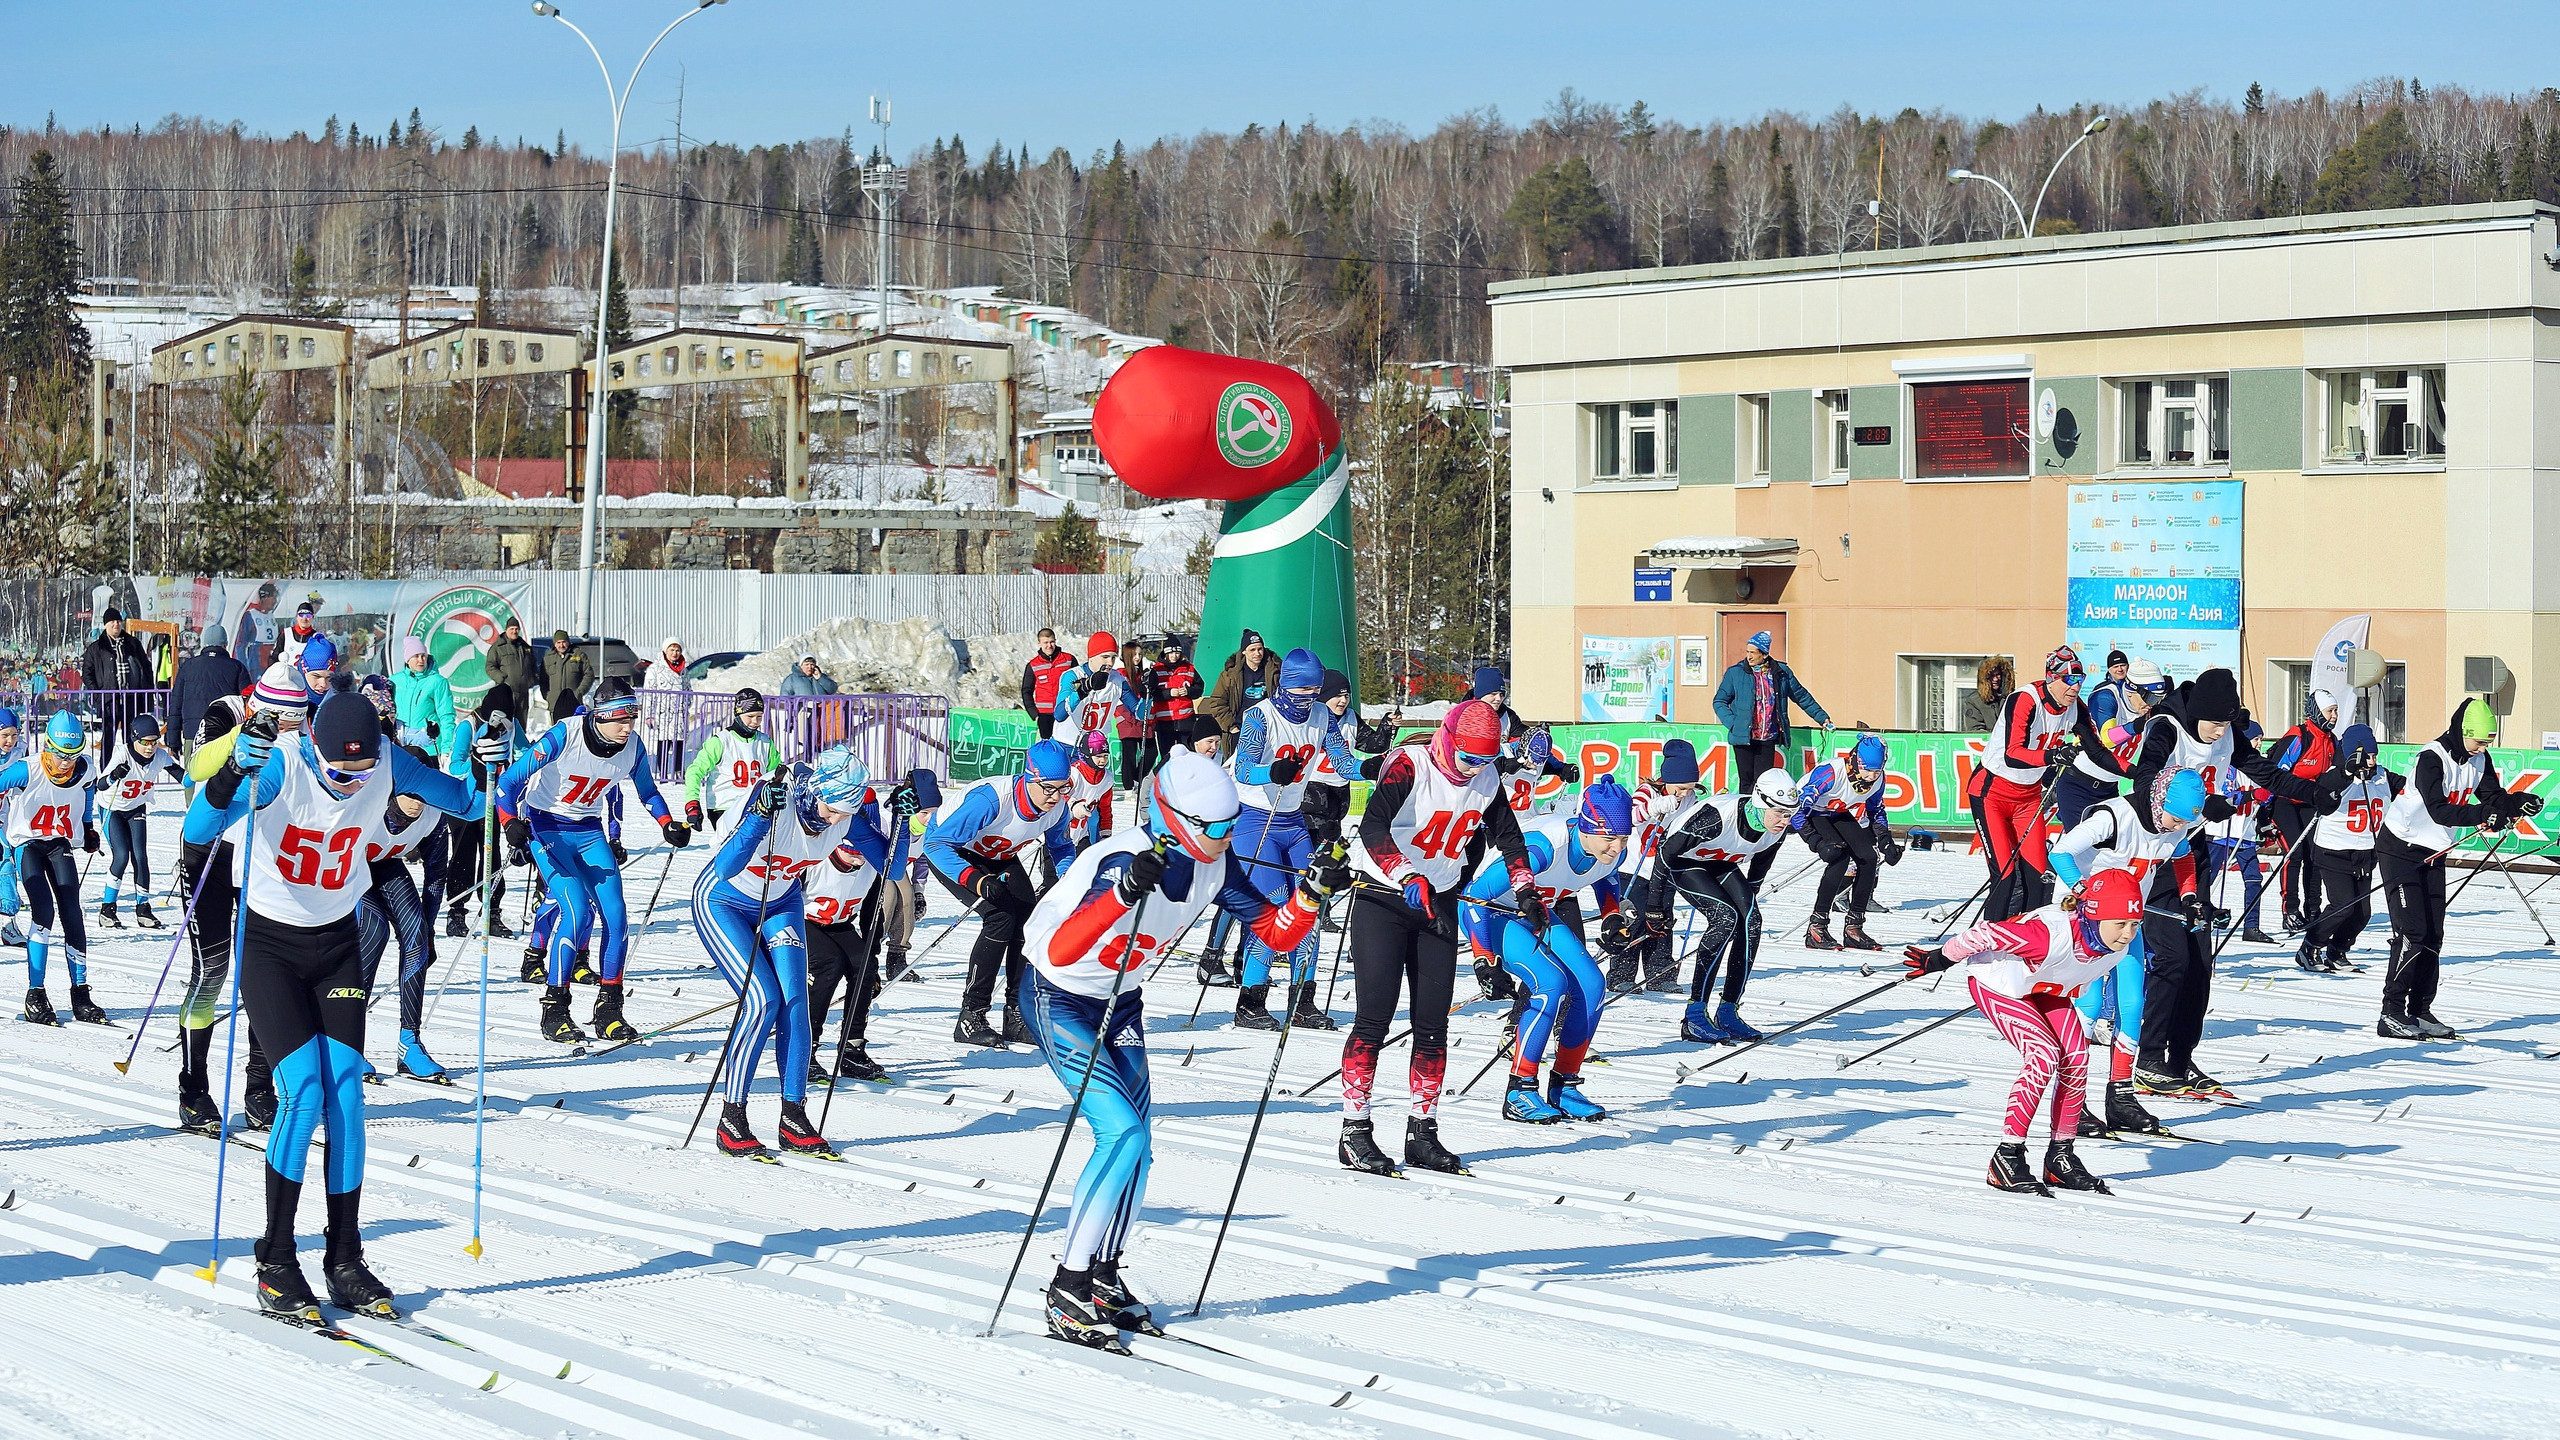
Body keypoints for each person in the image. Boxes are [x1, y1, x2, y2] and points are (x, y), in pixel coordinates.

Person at [1022, 748, 1330, 1349]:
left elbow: (1276, 934)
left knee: (1141, 1139)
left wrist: (1312, 895)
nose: (1226, 836)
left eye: (1232, 824)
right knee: (1122, 1134)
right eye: (1215, 827)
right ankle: (1068, 1284)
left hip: (1121, 1002)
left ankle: (1104, 1276)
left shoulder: (1213, 863)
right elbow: (1061, 951)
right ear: (1174, 819)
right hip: (1058, 996)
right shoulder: (1118, 859)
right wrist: (1122, 894)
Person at [186, 690, 471, 1323]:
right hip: (271, 948)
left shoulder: (390, 762)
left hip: (337, 944)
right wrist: (236, 770)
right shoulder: (283, 762)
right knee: (303, 1092)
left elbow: (469, 801)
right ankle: (276, 1259)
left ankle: (344, 1256)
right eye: (340, 772)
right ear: (315, 748)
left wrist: (486, 759)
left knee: (346, 1091)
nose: (352, 783)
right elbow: (197, 830)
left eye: (363, 771)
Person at [2120, 668, 2342, 1094]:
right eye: (2214, 723)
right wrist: (2205, 802)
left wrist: (2314, 793)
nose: (2219, 732)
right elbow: (2143, 780)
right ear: (2198, 714)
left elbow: (2269, 774)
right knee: (2172, 959)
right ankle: (2148, 1058)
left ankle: (2181, 1059)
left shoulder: (2227, 734)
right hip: (2154, 849)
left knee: (2201, 962)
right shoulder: (2167, 729)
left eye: (2226, 724)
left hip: (2193, 852)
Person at [1341, 699, 1531, 1177]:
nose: (1475, 769)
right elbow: (1372, 826)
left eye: (1486, 760)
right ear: (1448, 740)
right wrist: (1405, 873)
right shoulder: (1412, 765)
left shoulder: (1486, 779)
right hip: (1383, 898)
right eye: (1469, 758)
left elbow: (1509, 836)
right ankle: (1355, 1132)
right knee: (1374, 1020)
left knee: (1433, 1023)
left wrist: (1526, 889)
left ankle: (1422, 1132)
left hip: (1437, 901)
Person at [1902, 868, 2145, 1197]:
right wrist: (1941, 958)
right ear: (2092, 913)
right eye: (2120, 923)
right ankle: (2007, 1157)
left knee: (2076, 1057)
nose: (2128, 933)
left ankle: (2061, 1157)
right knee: (2044, 1055)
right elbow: (1983, 935)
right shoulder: (2047, 934)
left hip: (2045, 986)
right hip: (2000, 983)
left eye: (2134, 924)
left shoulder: (2111, 945)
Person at [689, 753, 866, 1159]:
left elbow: (891, 867)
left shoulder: (843, 815)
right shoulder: (778, 797)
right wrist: (758, 816)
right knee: (762, 1000)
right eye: (832, 808)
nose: (836, 820)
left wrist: (905, 828)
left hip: (781, 902)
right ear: (814, 792)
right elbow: (726, 865)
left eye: (846, 812)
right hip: (724, 900)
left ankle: (793, 1116)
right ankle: (732, 1117)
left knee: (795, 1003)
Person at [496, 677, 685, 1044]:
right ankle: (555, 1008)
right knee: (577, 911)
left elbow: (648, 791)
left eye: (632, 718)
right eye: (619, 719)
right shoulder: (564, 735)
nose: (627, 727)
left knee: (616, 917)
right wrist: (510, 824)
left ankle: (609, 1009)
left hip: (588, 830)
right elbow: (509, 783)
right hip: (546, 826)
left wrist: (668, 823)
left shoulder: (632, 747)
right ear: (599, 716)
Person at [173, 664, 309, 1133]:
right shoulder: (225, 710)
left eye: (295, 720)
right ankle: (193, 1088)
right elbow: (195, 768)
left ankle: (259, 1089)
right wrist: (239, 740)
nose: (286, 730)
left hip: (262, 856)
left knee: (263, 975)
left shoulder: (303, 729)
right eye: (280, 719)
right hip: (209, 850)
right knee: (211, 970)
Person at [2049, 765, 2215, 1137]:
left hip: (2125, 921)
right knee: (2089, 1005)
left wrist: (2189, 897)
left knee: (2132, 1002)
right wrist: (2083, 889)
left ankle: (2120, 1096)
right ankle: (2071, 1099)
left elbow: (2184, 856)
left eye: (2183, 823)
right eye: (2174, 819)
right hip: (2084, 917)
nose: (2176, 827)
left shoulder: (2177, 825)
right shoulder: (2112, 818)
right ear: (2159, 801)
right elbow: (2060, 853)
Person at [1460, 777, 1629, 1122]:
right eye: (1610, 837)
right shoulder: (1545, 847)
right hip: (1489, 911)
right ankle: (1519, 1090)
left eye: (1623, 837)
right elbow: (1474, 897)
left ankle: (1564, 1086)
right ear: (1586, 826)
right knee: (1550, 983)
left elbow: (1606, 877)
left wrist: (1613, 917)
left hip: (1537, 910)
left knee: (1592, 985)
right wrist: (1483, 959)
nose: (1617, 847)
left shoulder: (1612, 848)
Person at [2376, 697, 2537, 1041]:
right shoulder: (2432, 759)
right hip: (2400, 848)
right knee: (2412, 932)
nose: (2482, 748)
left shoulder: (2480, 759)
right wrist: (2481, 815)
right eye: (2479, 741)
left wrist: (2516, 801)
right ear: (2462, 732)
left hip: (2434, 850)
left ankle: (2419, 1010)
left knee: (2433, 934)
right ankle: (2391, 1012)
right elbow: (2439, 810)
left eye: (2488, 743)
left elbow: (2492, 797)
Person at [1227, 647, 1358, 1031]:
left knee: (1310, 906)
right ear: (1285, 686)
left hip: (1294, 822)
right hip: (1255, 822)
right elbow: (1244, 770)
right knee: (1277, 908)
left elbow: (1343, 761)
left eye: (1314, 692)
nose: (1307, 700)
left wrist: (1378, 767)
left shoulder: (1321, 716)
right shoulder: (1259, 716)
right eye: (1300, 692)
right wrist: (1274, 771)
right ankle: (1251, 1000)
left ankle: (1303, 1000)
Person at [354, 710, 487, 1084]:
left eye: (425, 797)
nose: (418, 804)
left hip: (386, 867)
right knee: (374, 933)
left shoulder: (433, 817)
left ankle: (409, 1045)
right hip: (349, 871)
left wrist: (427, 930)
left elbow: (436, 874)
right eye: (412, 795)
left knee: (415, 939)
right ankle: (349, 1044)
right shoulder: (370, 801)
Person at [923, 739, 1079, 1047]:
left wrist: (1070, 880)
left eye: (1063, 788)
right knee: (1000, 918)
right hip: (954, 854)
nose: (1056, 796)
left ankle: (1016, 1016)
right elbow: (936, 844)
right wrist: (977, 881)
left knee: (1029, 922)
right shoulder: (992, 800)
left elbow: (1061, 847)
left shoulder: (1057, 807)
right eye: (1048, 788)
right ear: (1029, 777)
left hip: (1000, 855)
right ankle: (972, 1016)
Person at [1970, 647, 2118, 922]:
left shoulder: (2075, 707)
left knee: (2040, 876)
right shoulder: (2026, 699)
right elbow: (2012, 754)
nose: (2076, 687)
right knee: (2005, 874)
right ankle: (1990, 942)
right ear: (2052, 678)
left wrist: (2139, 772)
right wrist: (2053, 756)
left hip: (2027, 798)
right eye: (2069, 680)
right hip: (1992, 794)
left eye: (2080, 679)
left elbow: (2097, 751)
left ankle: (2028, 939)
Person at [1652, 767, 1801, 1041]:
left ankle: (1728, 1012)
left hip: (1720, 861)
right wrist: (1654, 906)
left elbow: (1757, 873)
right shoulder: (1717, 818)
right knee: (1724, 918)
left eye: (1790, 813)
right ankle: (1694, 1016)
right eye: (1780, 812)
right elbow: (1665, 852)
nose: (1785, 820)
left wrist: (1748, 903)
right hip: (1682, 861)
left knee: (1751, 921)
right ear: (1761, 802)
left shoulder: (1774, 829)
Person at [803, 757, 918, 1086]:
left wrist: (873, 951)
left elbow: (872, 907)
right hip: (801, 921)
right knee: (829, 965)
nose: (856, 857)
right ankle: (805, 1048)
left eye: (860, 852)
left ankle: (851, 1050)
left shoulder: (869, 856)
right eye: (849, 850)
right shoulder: (818, 852)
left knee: (863, 966)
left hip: (838, 925)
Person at [3, 711, 102, 1025]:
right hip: (27, 844)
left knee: (72, 911)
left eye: (72, 754)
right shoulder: (26, 770)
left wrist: (87, 828)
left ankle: (81, 994)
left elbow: (88, 791)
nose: (65, 762)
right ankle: (36, 993)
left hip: (58, 842)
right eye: (60, 755)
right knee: (43, 911)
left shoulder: (85, 768)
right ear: (48, 747)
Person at [1793, 733, 1901, 950]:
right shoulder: (1831, 773)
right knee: (1839, 857)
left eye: (1876, 770)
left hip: (1838, 813)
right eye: (1867, 769)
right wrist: (1815, 841)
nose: (1871, 776)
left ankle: (1854, 928)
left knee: (1869, 858)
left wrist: (1886, 841)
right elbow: (1797, 811)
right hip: (1812, 813)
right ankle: (1817, 927)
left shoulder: (1878, 779)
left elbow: (1876, 810)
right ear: (1856, 760)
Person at [2299, 724, 2389, 974]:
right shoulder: (2336, 775)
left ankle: (2338, 950)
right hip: (2333, 849)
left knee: (2362, 913)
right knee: (2342, 904)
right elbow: (2324, 793)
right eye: (2366, 757)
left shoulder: (2382, 776)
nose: (2371, 763)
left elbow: (2411, 791)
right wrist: (2348, 772)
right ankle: (2310, 946)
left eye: (2374, 756)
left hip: (2365, 853)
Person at [1618, 738, 1704, 990]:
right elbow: (1629, 817)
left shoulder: (1690, 799)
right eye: (1680, 788)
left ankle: (1661, 974)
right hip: (1634, 868)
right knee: (1635, 918)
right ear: (1667, 780)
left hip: (1664, 871)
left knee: (1663, 919)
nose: (1685, 793)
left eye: (1690, 788)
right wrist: (1655, 807)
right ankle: (1622, 974)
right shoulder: (1648, 792)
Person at [443, 688, 518, 939]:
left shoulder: (511, 725)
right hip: (465, 799)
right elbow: (454, 766)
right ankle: (456, 913)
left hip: (493, 799)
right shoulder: (469, 725)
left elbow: (525, 751)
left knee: (492, 855)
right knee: (463, 854)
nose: (502, 725)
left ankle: (492, 912)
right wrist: (481, 762)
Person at [2266, 690, 2344, 932]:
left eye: (2335, 711)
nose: (2334, 716)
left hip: (2309, 801)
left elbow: (2338, 770)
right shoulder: (2299, 736)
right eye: (2330, 711)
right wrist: (2263, 810)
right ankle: (2290, 910)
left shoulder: (2331, 740)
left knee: (2315, 854)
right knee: (2295, 853)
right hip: (2284, 801)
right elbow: (2272, 773)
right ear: (2316, 712)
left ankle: (2313, 909)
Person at [95, 712, 180, 930]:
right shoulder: (122, 753)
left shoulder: (160, 756)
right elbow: (101, 785)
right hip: (112, 808)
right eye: (144, 742)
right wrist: (115, 775)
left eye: (154, 742)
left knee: (141, 857)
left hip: (135, 808)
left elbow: (184, 776)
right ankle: (107, 909)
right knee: (122, 856)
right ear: (134, 739)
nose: (150, 747)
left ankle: (143, 909)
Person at [1711, 631, 1830, 788]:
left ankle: (1760, 812)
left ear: (1765, 654)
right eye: (1747, 652)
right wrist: (1733, 723)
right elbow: (1719, 701)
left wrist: (1822, 717)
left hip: (1767, 737)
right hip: (1742, 737)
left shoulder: (1781, 673)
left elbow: (1801, 696)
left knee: (1762, 782)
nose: (1749, 656)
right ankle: (1744, 812)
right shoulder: (1735, 673)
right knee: (1746, 783)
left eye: (1753, 652)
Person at [684, 689, 781, 833]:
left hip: (756, 807)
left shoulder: (765, 742)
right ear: (738, 713)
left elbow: (777, 773)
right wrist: (692, 804)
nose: (755, 722)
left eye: (759, 717)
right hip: (725, 807)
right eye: (750, 716)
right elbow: (694, 772)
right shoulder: (721, 741)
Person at [80, 606, 156, 761]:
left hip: (131, 699)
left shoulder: (133, 644)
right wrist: (98, 693)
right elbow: (87, 673)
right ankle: (106, 772)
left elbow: (146, 668)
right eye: (112, 621)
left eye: (118, 621)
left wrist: (146, 694)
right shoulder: (96, 648)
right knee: (108, 739)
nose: (116, 624)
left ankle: (131, 768)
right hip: (109, 701)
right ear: (106, 625)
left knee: (131, 738)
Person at [171, 623, 251, 766]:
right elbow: (248, 702)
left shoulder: (188, 667)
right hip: (225, 732)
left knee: (193, 777)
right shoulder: (237, 667)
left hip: (193, 732)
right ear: (225, 645)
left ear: (204, 644)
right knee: (222, 781)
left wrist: (173, 739)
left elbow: (175, 704)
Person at [1196, 629, 1280, 760]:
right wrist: (1232, 727)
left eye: (1260, 649)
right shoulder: (1230, 674)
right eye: (1252, 650)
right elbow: (1217, 702)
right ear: (1244, 651)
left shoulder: (1275, 672)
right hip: (1240, 730)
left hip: (1267, 731)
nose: (1257, 653)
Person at [389, 636, 455, 768]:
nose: (421, 660)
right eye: (416, 656)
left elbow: (446, 716)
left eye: (423, 656)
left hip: (428, 749)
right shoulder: (395, 681)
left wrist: (446, 749)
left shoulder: (437, 681)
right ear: (407, 660)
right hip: (401, 747)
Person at [1020, 629, 1076, 742]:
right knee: (1048, 748)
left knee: (1067, 745)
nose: (1049, 646)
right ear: (1039, 643)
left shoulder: (1069, 660)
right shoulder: (1033, 665)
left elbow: (1079, 683)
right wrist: (1034, 714)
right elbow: (1026, 691)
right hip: (1044, 716)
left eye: (1052, 642)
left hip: (1066, 712)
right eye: (1045, 643)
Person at [481, 618, 539, 729]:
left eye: (516, 629)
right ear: (506, 630)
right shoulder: (498, 647)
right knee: (505, 721)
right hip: (505, 693)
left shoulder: (525, 647)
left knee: (521, 723)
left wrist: (532, 680)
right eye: (511, 629)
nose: (514, 631)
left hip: (522, 693)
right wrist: (502, 678)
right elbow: (490, 666)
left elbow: (533, 666)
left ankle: (520, 745)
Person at [1149, 641, 1200, 759]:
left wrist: (1188, 691)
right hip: (1165, 721)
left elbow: (1199, 688)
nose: (1174, 656)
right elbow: (1151, 693)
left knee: (1187, 755)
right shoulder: (1156, 670)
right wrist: (1168, 693)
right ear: (1165, 654)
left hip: (1185, 720)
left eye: (1177, 653)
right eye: (1171, 653)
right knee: (1167, 756)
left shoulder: (1189, 668)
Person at [1116, 641, 1156, 785]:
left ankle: (1137, 779)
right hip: (1128, 720)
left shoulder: (1142, 674)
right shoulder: (1121, 674)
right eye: (1134, 655)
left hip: (1144, 719)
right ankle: (1128, 786)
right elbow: (1120, 699)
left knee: (1151, 753)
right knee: (1129, 755)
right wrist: (1131, 717)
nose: (1137, 658)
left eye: (1140, 654)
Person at [538, 630, 591, 729]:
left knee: (575, 730)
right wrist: (547, 695)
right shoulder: (548, 657)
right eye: (558, 642)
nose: (561, 645)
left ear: (568, 642)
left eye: (564, 642)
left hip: (574, 703)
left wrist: (579, 692)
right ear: (554, 644)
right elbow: (543, 679)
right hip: (555, 703)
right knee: (557, 731)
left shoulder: (578, 655)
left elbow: (588, 674)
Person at [1957, 657, 2010, 734]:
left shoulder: (2011, 698)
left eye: (1998, 675)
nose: (1995, 679)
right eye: (1991, 675)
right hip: (1987, 743)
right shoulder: (1974, 701)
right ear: (1984, 678)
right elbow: (1975, 729)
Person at [2083, 650, 2134, 729]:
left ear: (2128, 666)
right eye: (2116, 666)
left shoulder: (2135, 687)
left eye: (2123, 665)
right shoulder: (2102, 691)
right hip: (2111, 736)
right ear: (2109, 669)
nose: (2120, 669)